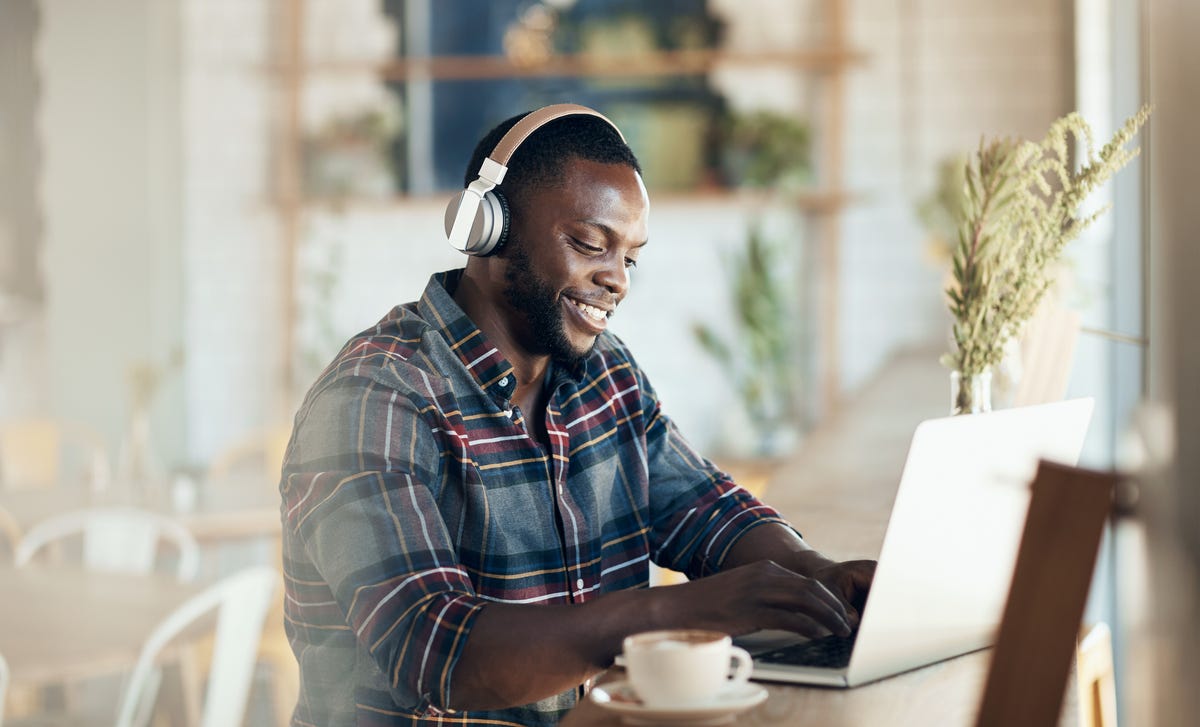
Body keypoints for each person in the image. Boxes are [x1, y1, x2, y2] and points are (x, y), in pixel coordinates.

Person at [280, 104, 875, 727]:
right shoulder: (375, 399)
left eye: (629, 258)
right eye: (591, 245)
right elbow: (436, 650)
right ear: (489, 229)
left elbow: (704, 508)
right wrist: (681, 611)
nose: (617, 280)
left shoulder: (605, 372)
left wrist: (817, 575)